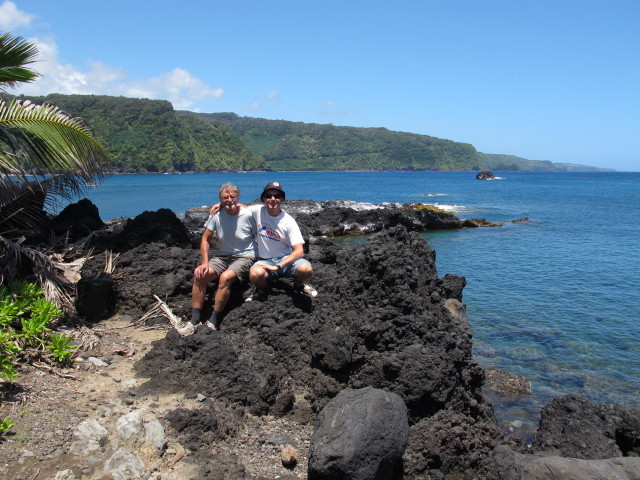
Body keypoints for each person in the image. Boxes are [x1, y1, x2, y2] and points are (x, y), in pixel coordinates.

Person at [179, 183, 257, 335]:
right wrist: (204, 263)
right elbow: (205, 239)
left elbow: (261, 234)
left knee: (225, 277)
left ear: (238, 197)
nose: (229, 200)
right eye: (225, 197)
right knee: (200, 274)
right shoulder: (216, 215)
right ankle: (194, 320)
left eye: (232, 197)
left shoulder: (248, 214)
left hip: (245, 256)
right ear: (220, 200)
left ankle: (214, 320)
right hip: (223, 256)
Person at [245, 181, 316, 301]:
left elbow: (299, 252)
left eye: (277, 196)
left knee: (306, 269)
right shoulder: (257, 211)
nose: (273, 199)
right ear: (263, 199)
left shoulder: (288, 221)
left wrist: (278, 266)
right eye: (269, 196)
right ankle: (262, 289)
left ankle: (299, 284)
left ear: (282, 199)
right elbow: (239, 208)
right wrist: (220, 205)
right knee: (255, 274)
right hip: (265, 261)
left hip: (286, 260)